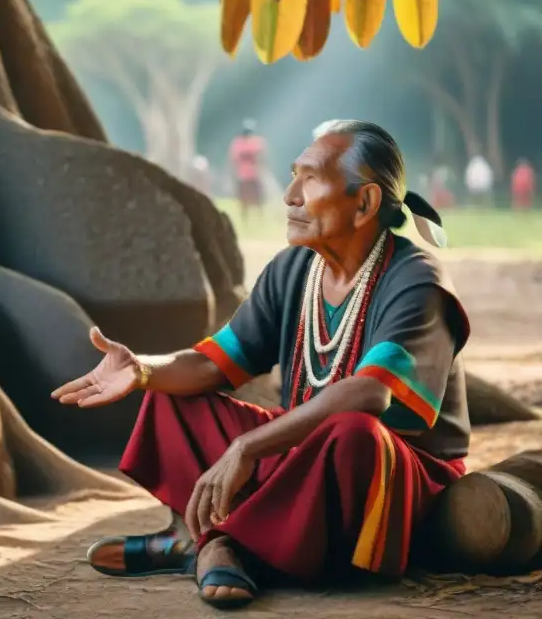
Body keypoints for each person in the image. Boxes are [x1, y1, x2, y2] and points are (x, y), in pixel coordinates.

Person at [52, 120, 470, 610]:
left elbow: (368, 395)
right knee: (173, 395)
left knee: (354, 431)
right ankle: (217, 540)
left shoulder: (417, 282)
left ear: (365, 203)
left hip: (396, 472)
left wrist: (247, 447)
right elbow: (212, 365)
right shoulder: (293, 269)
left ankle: (217, 544)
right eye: (293, 176)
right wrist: (142, 370)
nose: (289, 195)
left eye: (310, 179)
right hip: (303, 455)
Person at [229, 120, 266, 223]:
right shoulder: (240, 144)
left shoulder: (254, 143)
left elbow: (261, 158)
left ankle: (258, 219)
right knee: (247, 198)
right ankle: (249, 220)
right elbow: (234, 160)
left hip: (250, 174)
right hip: (246, 174)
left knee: (257, 197)